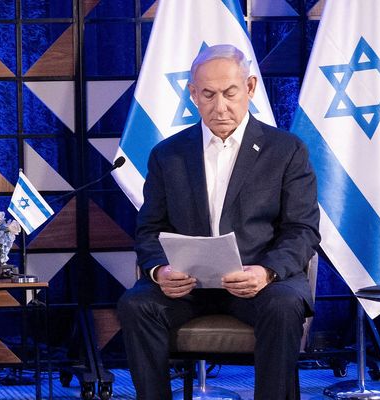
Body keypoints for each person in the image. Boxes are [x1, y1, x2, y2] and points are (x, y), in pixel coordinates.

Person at [116, 44, 320, 400]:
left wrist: (266, 272)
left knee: (283, 305)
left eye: (230, 93)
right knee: (136, 305)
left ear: (250, 88)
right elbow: (148, 230)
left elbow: (302, 230)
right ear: (193, 94)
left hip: (260, 283)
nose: (220, 106)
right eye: (208, 94)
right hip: (188, 287)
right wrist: (159, 271)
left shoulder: (287, 150)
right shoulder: (168, 154)